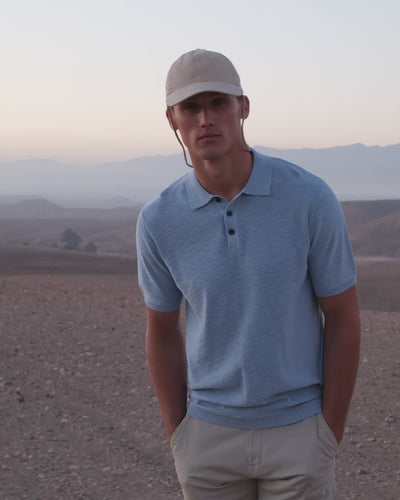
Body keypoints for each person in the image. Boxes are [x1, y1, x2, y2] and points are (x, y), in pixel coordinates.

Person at [136, 48, 361, 500]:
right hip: (208, 441)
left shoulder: (309, 198)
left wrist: (328, 430)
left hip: (299, 434)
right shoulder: (158, 220)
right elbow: (161, 330)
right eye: (191, 107)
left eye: (218, 102)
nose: (205, 119)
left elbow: (342, 316)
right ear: (172, 119)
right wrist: (180, 435)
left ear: (244, 107)